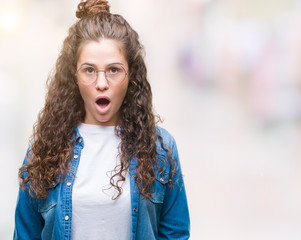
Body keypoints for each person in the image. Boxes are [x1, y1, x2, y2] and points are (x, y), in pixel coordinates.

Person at [13, 0, 190, 239]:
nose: (102, 83)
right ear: (73, 76)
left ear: (131, 76)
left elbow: (175, 234)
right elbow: (25, 234)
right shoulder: (44, 151)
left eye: (114, 70)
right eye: (89, 70)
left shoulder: (160, 148)